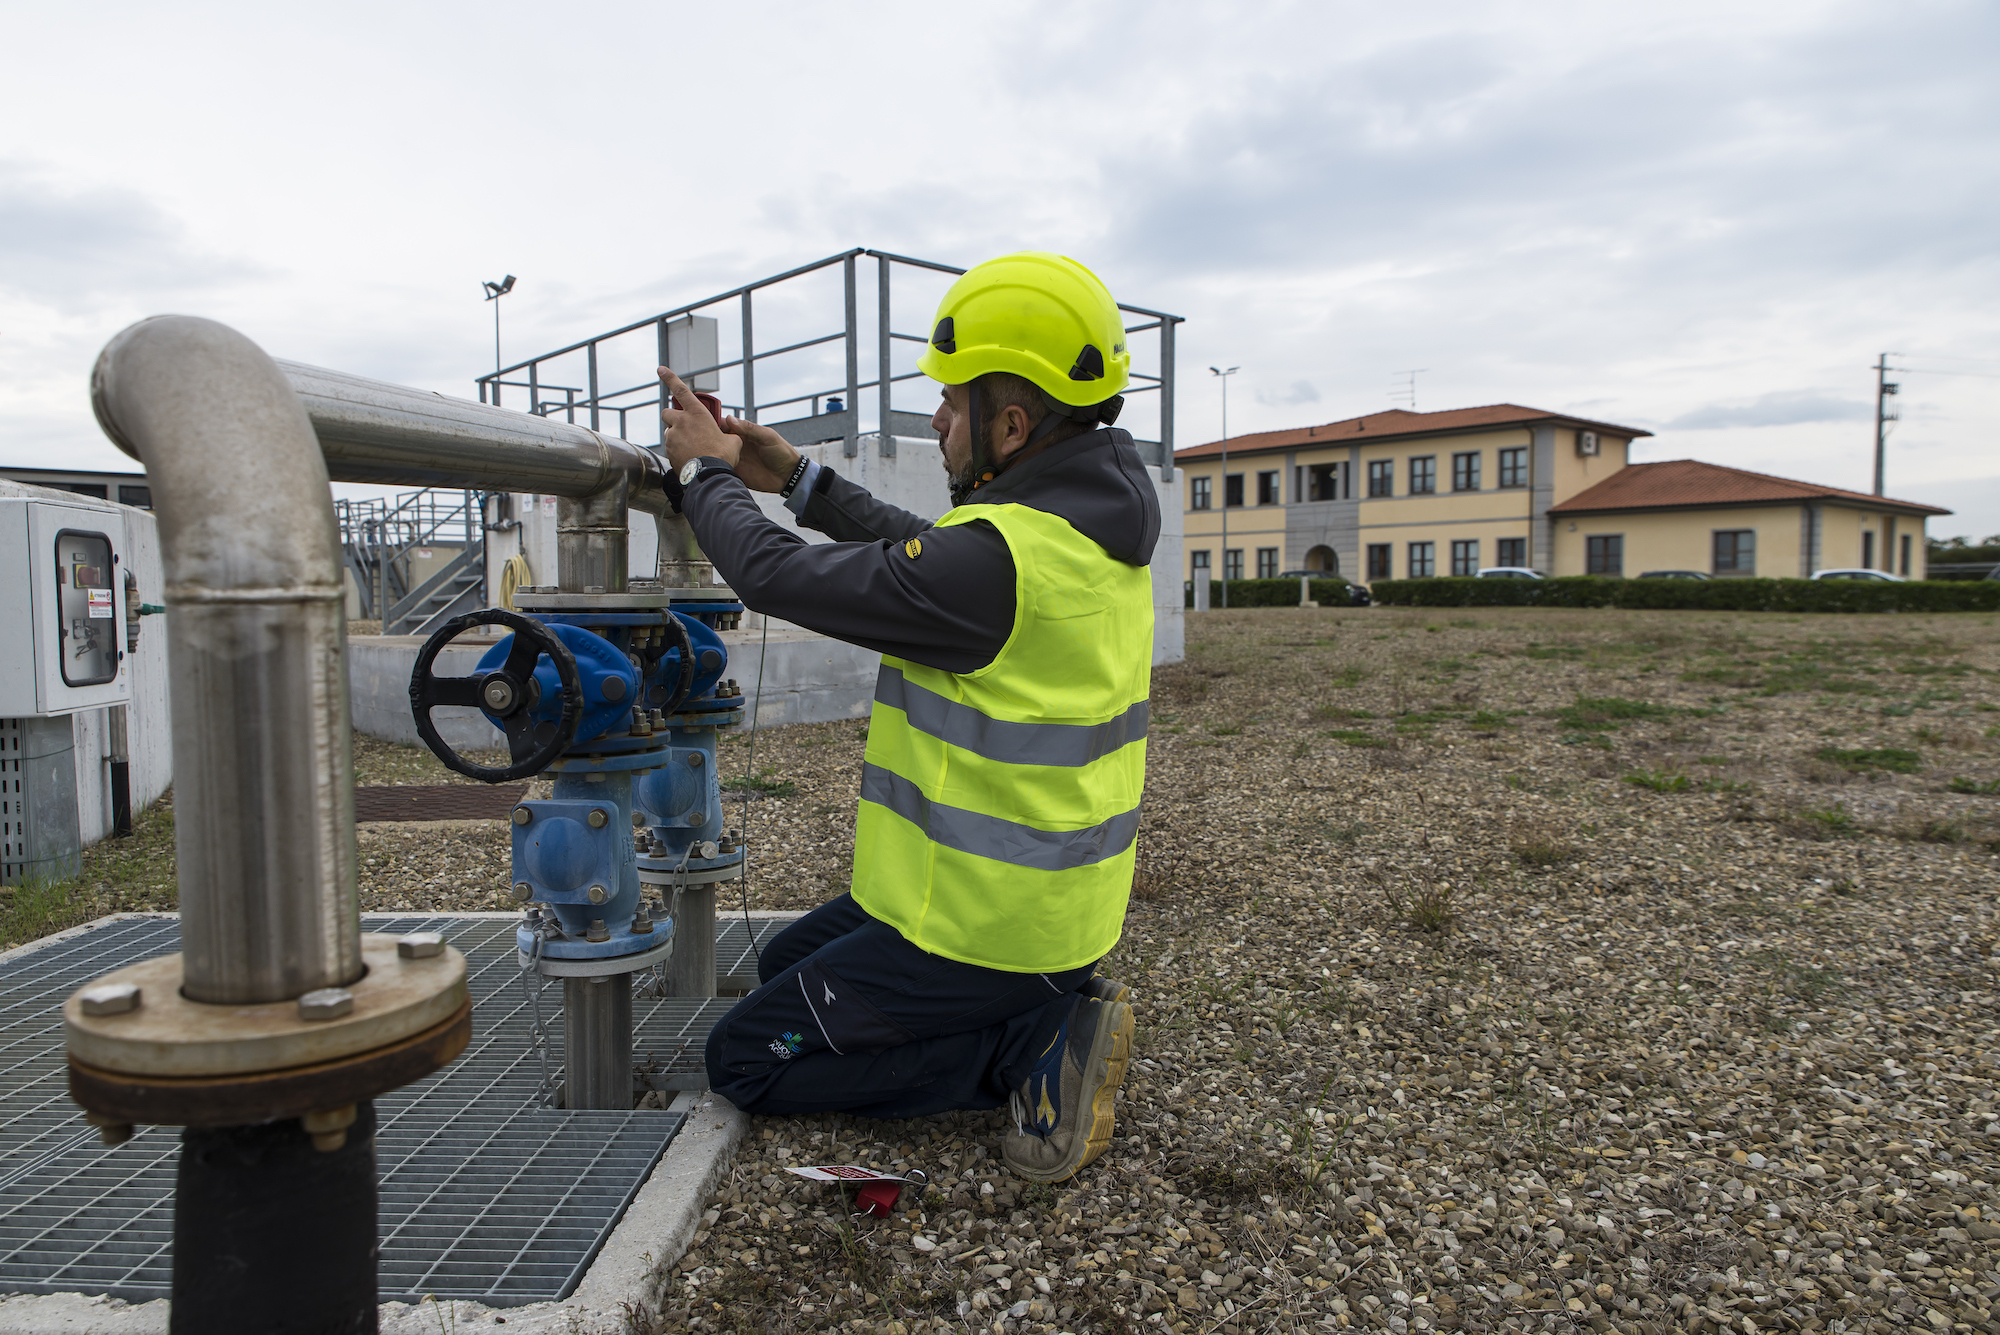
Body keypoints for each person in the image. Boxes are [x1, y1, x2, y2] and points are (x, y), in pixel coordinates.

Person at [656, 252, 1159, 1183]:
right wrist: (794, 476)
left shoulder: (998, 561)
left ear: (1013, 423)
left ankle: (1025, 1051)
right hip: (1033, 912)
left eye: (954, 404)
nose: (936, 419)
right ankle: (1043, 1006)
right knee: (788, 968)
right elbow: (919, 549)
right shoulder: (1075, 528)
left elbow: (776, 575)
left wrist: (704, 477)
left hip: (987, 931)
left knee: (746, 1058)